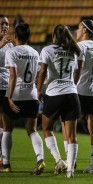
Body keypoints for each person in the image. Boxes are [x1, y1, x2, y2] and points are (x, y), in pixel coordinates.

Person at [37, 24, 81, 178]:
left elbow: (42, 71)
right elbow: (76, 73)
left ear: (54, 35)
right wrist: (71, 85)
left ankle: (58, 160)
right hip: (71, 94)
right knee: (72, 136)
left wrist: (37, 90)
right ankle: (70, 170)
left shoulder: (47, 50)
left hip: (54, 94)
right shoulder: (73, 51)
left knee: (46, 128)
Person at [1, 23, 45, 174]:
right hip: (31, 95)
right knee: (32, 130)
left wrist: (10, 98)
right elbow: (39, 75)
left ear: (15, 37)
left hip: (16, 94)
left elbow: (12, 76)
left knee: (7, 129)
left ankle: (6, 164)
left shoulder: (11, 52)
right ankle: (40, 159)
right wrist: (38, 92)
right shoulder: (35, 52)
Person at [75, 19, 93, 174]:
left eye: (79, 28)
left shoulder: (80, 46)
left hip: (81, 90)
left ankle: (70, 161)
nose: (76, 31)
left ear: (85, 30)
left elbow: (77, 69)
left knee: (70, 125)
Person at [0, 14, 13, 168]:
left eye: (7, 24)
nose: (5, 26)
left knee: (5, 124)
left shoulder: (10, 44)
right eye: (2, 23)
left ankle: (5, 160)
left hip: (6, 87)